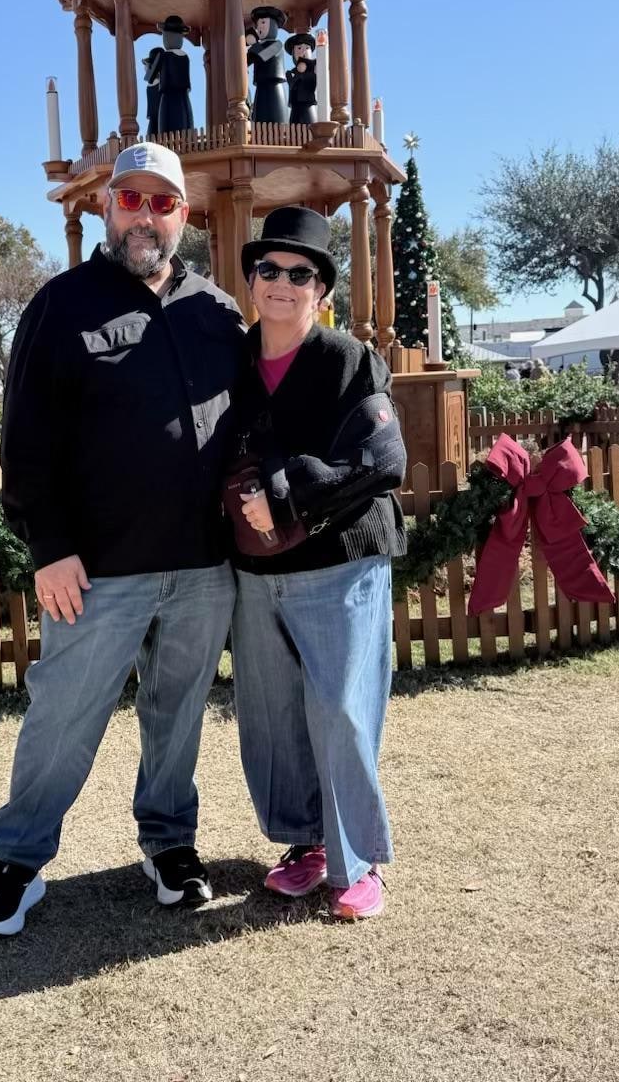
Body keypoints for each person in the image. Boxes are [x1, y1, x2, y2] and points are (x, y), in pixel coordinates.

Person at [0, 142, 246, 938]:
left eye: (163, 203)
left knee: (178, 713)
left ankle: (169, 845)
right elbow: (24, 440)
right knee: (63, 715)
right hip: (97, 570)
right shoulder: (63, 304)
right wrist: (49, 545)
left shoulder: (217, 311)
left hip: (202, 564)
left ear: (183, 217)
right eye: (132, 199)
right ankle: (16, 861)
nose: (146, 216)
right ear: (105, 207)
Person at [223, 206, 407, 921]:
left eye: (301, 274)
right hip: (254, 570)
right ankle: (304, 846)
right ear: (251, 281)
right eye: (269, 268)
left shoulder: (348, 358)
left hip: (340, 561)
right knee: (270, 715)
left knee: (339, 709)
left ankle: (357, 860)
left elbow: (382, 461)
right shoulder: (231, 362)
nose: (282, 283)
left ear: (321, 292)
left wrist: (290, 496)